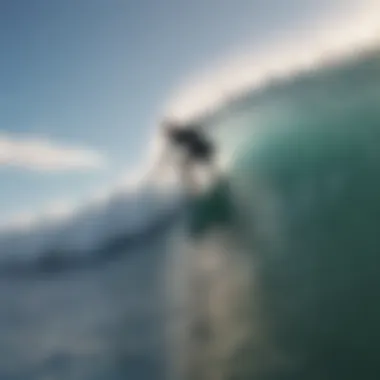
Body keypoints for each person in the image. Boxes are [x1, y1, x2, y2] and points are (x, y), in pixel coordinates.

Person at [159, 118, 217, 194]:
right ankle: (196, 187)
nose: (167, 134)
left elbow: (196, 135)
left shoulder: (182, 132)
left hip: (201, 149)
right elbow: (170, 153)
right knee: (183, 167)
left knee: (185, 166)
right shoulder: (175, 138)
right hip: (199, 150)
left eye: (168, 131)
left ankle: (201, 185)